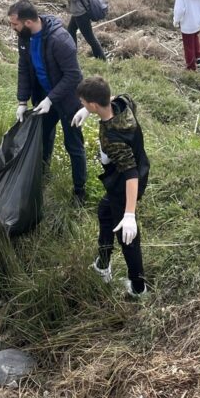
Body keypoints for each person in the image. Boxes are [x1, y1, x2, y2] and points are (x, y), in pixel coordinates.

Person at [72, 76, 150, 298]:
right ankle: (103, 263)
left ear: (94, 104)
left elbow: (130, 174)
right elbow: (113, 97)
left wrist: (129, 214)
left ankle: (138, 287)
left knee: (127, 237)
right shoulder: (124, 103)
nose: (81, 106)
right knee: (104, 213)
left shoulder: (112, 138)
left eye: (83, 103)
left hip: (123, 184)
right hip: (140, 165)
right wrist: (87, 112)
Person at [7, 0, 87, 205]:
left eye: (14, 24)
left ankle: (79, 192)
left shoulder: (60, 39)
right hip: (44, 97)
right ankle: (43, 172)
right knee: (42, 136)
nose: (12, 29)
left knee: (74, 146)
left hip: (67, 100)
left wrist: (52, 99)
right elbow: (24, 68)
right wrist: (22, 101)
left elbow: (73, 76)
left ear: (28, 23)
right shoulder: (24, 38)